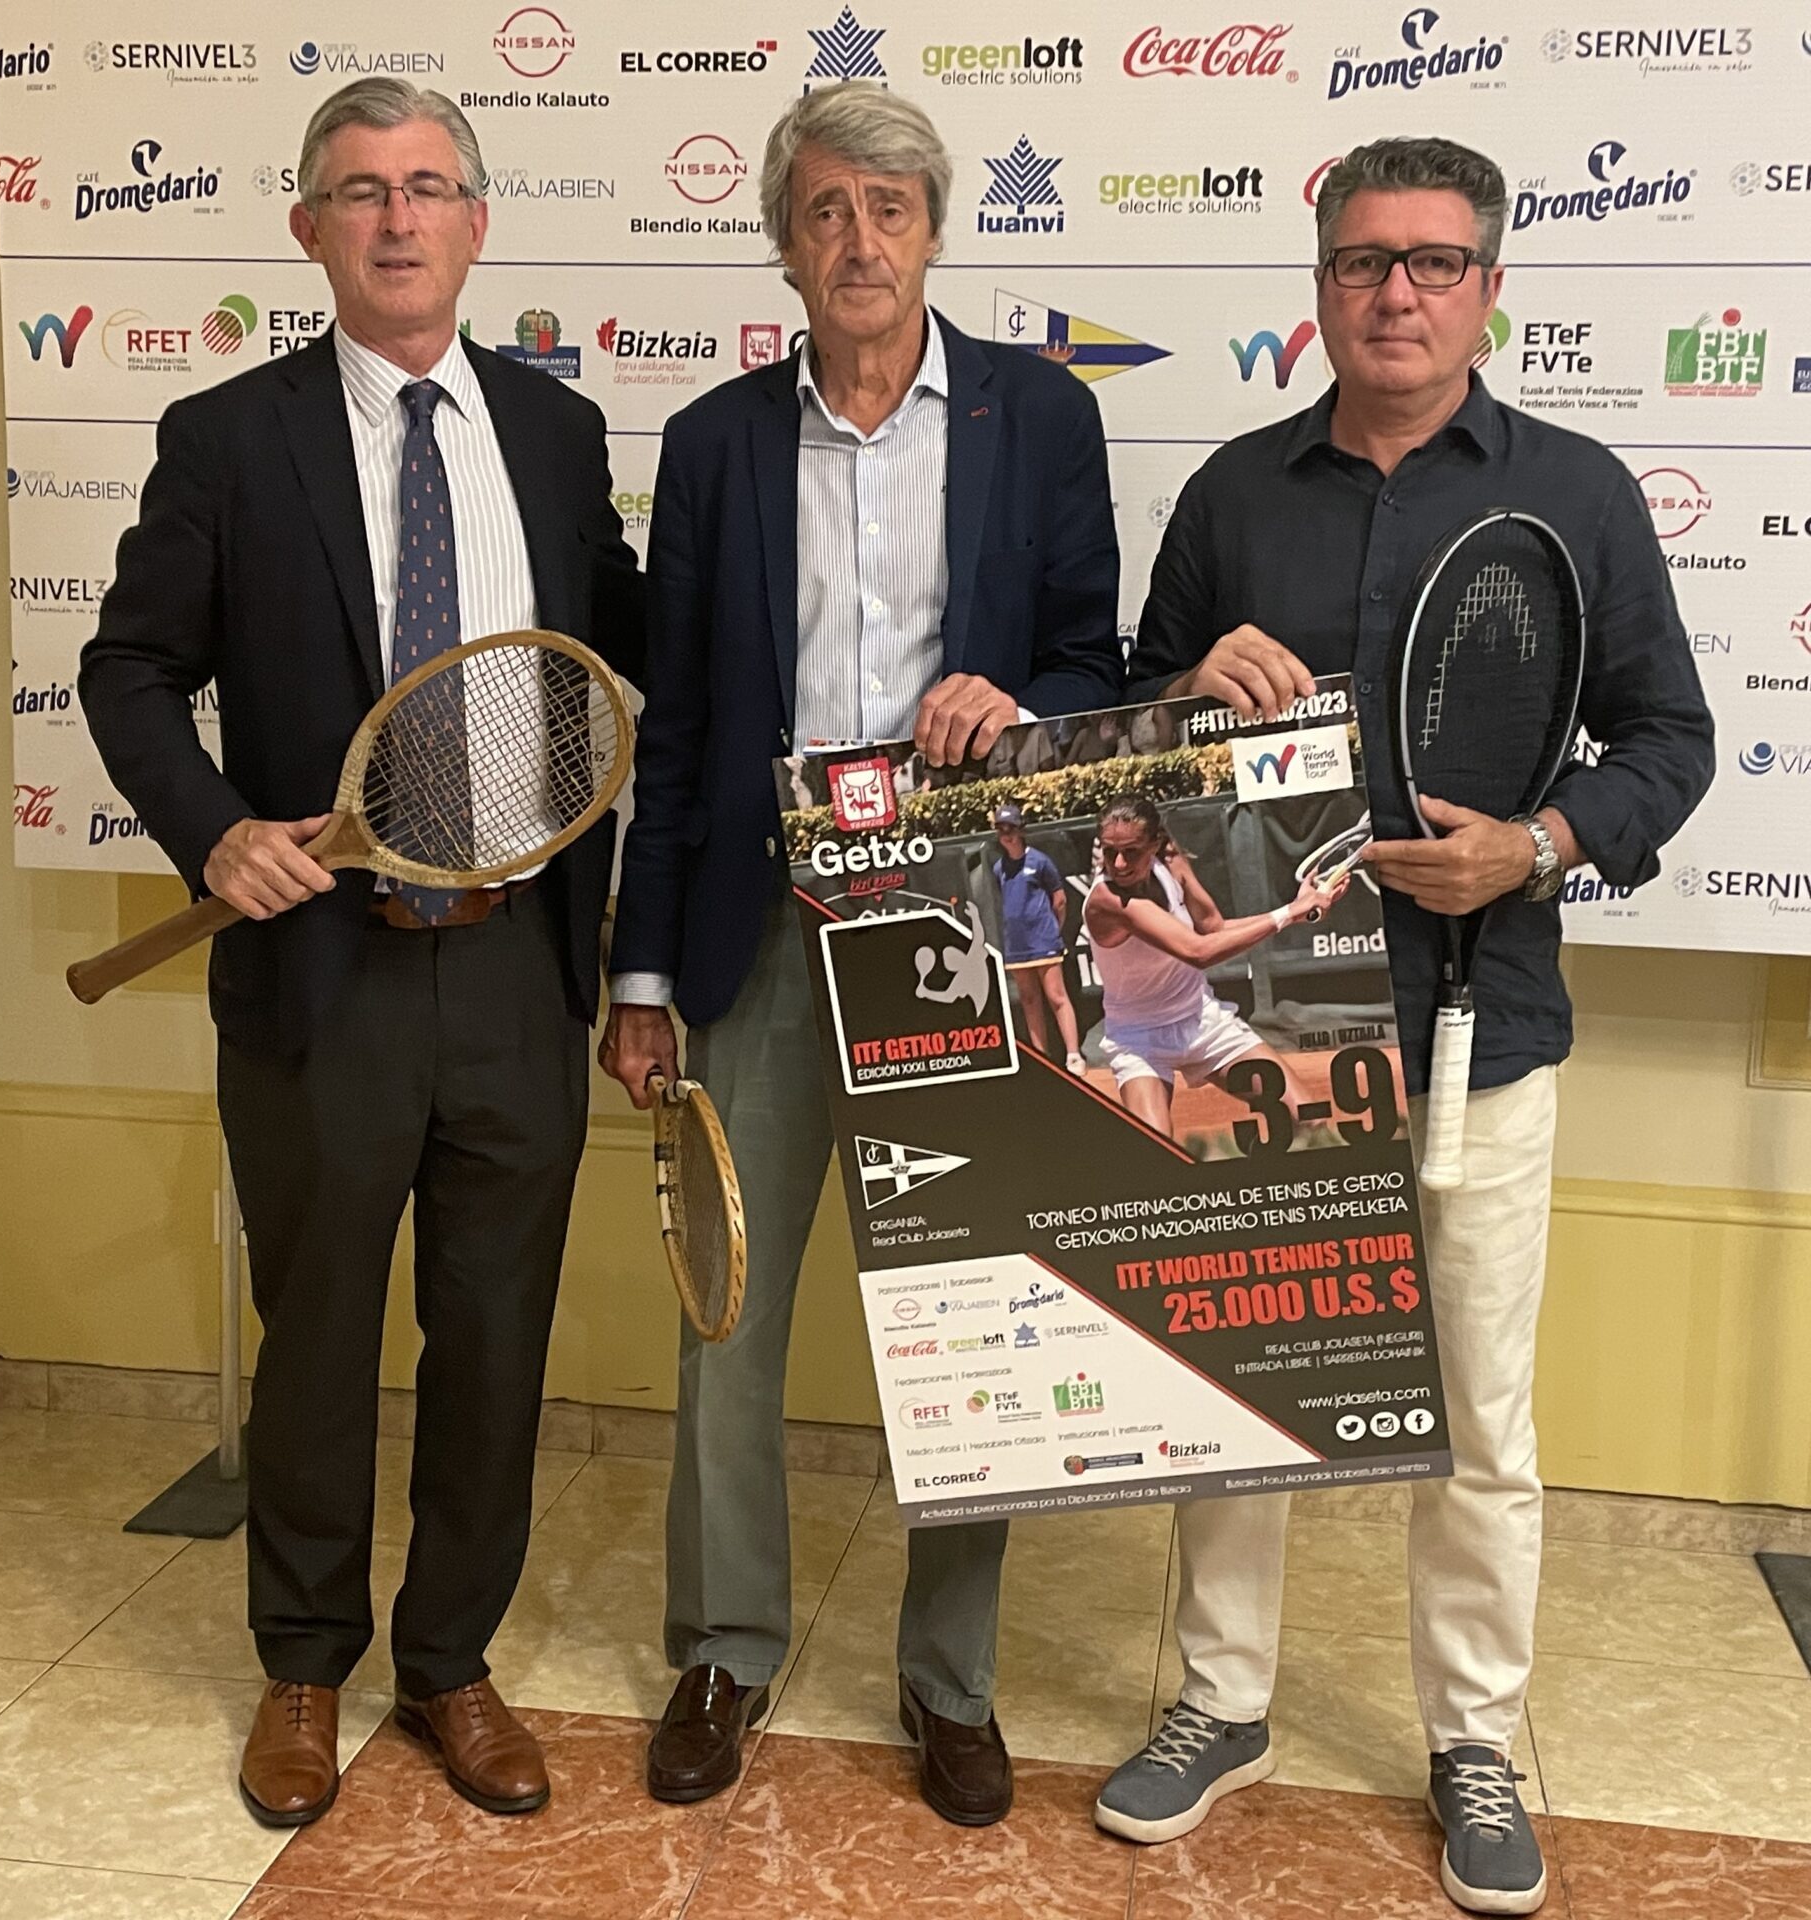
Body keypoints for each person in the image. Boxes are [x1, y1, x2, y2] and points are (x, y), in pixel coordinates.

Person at [1099, 137, 1712, 1915]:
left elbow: (1669, 741)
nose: (1397, 293)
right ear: (1320, 287)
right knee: (1247, 1382)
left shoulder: (1579, 495)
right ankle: (1221, 1703)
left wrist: (1543, 844)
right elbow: (1127, 740)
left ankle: (1476, 1739)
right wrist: (1182, 688)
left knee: (1485, 1425)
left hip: (1481, 1025)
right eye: (1366, 260)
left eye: (1435, 263)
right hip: (1269, 1029)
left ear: (1489, 291)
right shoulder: (1234, 492)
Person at [78, 79, 643, 1829]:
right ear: (308, 227)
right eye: (360, 190)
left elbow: (626, 655)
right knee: (317, 1336)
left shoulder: (556, 431)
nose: (397, 219)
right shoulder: (224, 437)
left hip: (518, 969)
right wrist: (212, 829)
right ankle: (305, 1666)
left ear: (476, 222)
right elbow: (126, 669)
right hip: (322, 979)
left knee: (494, 1336)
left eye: (426, 187)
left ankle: (450, 1662)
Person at [597, 82, 1122, 1826]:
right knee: (727, 1316)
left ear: (935, 231)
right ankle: (724, 1647)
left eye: (890, 209)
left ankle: (950, 1680)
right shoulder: (716, 443)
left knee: (973, 1319)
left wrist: (1017, 702)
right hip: (758, 931)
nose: (860, 241)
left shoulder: (1043, 420)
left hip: (962, 931)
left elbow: (1093, 664)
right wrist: (643, 976)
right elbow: (678, 733)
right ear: (785, 242)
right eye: (826, 210)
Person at [1083, 795, 1342, 1139]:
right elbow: (1198, 952)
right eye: (1109, 851)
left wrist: (1296, 912)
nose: (1118, 863)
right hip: (1139, 1039)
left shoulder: (1170, 862)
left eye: (1131, 851)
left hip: (1203, 1021)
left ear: (1154, 844)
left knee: (1311, 1120)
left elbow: (1213, 928)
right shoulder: (1107, 901)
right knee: (1156, 1151)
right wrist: (1289, 913)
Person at [988, 802, 1086, 1073]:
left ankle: (1074, 1055)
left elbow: (1060, 900)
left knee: (1057, 997)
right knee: (1029, 1000)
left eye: (1010, 828)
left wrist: (1053, 930)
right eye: (1001, 829)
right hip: (1016, 946)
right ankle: (1042, 1061)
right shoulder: (998, 868)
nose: (1006, 834)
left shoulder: (1040, 861)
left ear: (1021, 830)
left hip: (1044, 941)